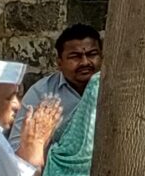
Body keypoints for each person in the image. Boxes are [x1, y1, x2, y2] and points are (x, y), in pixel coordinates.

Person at [8, 23, 102, 158]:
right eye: (75, 56)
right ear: (59, 63)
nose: (85, 62)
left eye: (92, 54)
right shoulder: (42, 94)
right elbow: (16, 147)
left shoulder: (116, 89)